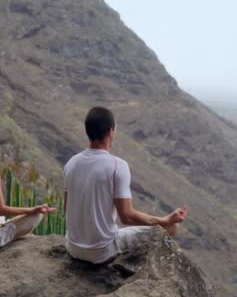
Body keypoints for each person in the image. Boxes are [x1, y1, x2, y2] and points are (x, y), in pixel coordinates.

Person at [63, 107, 188, 264]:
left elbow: (66, 209)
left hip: (72, 247)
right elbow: (127, 217)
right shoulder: (117, 165)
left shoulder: (71, 163)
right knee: (171, 228)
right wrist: (165, 220)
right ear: (110, 131)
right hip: (101, 252)